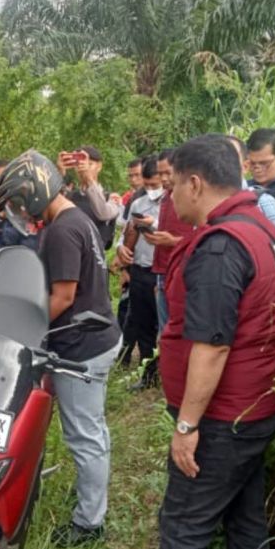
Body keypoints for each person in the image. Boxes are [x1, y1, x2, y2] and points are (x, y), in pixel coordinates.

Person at [110, 135, 275, 549]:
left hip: (223, 414)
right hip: (259, 405)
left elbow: (212, 345)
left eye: (174, 184)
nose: (170, 195)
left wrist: (187, 426)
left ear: (196, 182)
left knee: (185, 523)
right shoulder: (259, 227)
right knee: (243, 515)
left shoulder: (221, 246)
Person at [0, 150, 123, 548]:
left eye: (17, 199)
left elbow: (63, 297)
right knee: (91, 430)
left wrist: (23, 329)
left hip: (81, 345)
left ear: (36, 190)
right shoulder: (73, 219)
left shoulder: (64, 229)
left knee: (84, 435)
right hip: (87, 337)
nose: (16, 209)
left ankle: (89, 524)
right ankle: (91, 493)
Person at [116, 154, 165, 389]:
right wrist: (121, 250)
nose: (151, 190)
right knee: (143, 325)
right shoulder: (138, 204)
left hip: (162, 274)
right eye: (147, 185)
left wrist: (153, 225)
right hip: (140, 271)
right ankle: (148, 376)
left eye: (154, 185)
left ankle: (168, 376)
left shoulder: (174, 204)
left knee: (163, 327)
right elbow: (125, 235)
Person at [139, 150, 196, 339]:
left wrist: (172, 242)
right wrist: (152, 227)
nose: (163, 178)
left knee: (178, 331)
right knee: (165, 333)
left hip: (182, 273)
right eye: (160, 173)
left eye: (167, 173)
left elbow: (201, 236)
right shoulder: (166, 197)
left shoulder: (192, 198)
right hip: (163, 272)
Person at [225, 135, 275, 244]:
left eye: (231, 159)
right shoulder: (204, 202)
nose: (222, 163)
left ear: (245, 166)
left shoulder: (264, 202)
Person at [59, 144, 122, 251]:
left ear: (99, 166)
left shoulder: (111, 198)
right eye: (79, 164)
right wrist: (60, 173)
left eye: (90, 164)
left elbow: (103, 213)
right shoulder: (70, 196)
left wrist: (89, 180)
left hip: (93, 259)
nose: (83, 169)